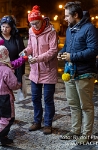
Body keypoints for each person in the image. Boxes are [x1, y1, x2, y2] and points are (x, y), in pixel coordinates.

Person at [57, 1, 98, 144]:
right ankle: (75, 130)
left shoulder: (89, 28)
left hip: (85, 73)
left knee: (85, 106)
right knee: (73, 104)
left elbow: (93, 50)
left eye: (67, 16)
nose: (65, 19)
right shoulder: (69, 29)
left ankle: (86, 134)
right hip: (70, 72)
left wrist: (72, 56)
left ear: (76, 15)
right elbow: (67, 46)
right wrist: (62, 52)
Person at [19, 5, 58, 135]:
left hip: (48, 70)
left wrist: (38, 58)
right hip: (35, 71)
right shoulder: (31, 31)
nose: (34, 26)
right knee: (35, 98)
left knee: (47, 99)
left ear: (41, 20)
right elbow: (30, 46)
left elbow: (53, 51)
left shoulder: (51, 31)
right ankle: (37, 121)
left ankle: (47, 124)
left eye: (36, 23)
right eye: (32, 24)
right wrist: (25, 51)